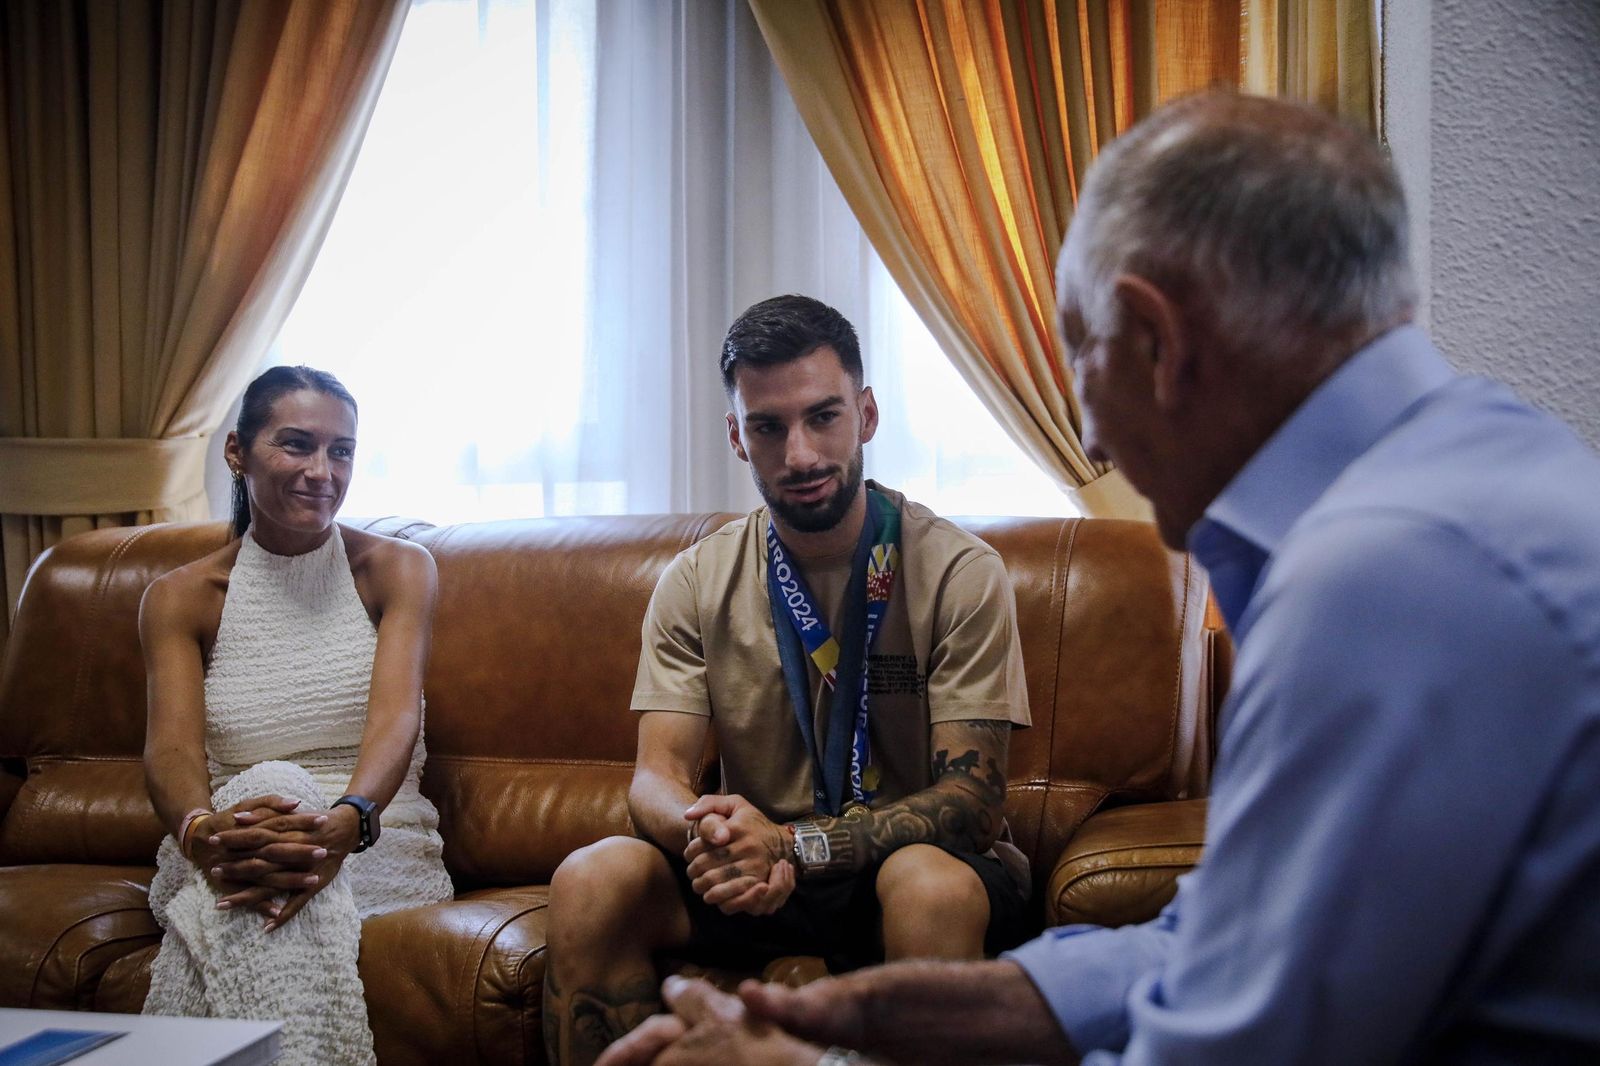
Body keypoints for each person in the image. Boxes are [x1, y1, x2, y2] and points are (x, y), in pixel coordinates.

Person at [595, 91, 1600, 1065]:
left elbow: (1230, 1047)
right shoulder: (1471, 471)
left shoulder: (1382, 582)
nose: (1085, 435)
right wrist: (918, 1009)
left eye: (1075, 356)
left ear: (1151, 338)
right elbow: (1224, 945)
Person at [542, 295, 1033, 1065]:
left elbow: (972, 807)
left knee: (927, 883)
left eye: (823, 417)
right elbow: (655, 779)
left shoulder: (961, 573)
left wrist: (793, 845)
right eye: (769, 427)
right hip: (754, 877)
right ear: (738, 436)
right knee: (592, 878)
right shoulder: (696, 580)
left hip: (901, 874)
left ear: (866, 415)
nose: (800, 454)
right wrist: (718, 838)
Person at [140, 366, 453, 1066]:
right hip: (222, 845)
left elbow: (396, 719)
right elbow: (171, 751)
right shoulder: (180, 597)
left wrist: (350, 818)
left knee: (249, 886)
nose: (322, 471)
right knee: (265, 808)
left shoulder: (399, 570)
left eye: (340, 450)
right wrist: (198, 835)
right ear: (236, 452)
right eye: (297, 445)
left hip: (379, 841)